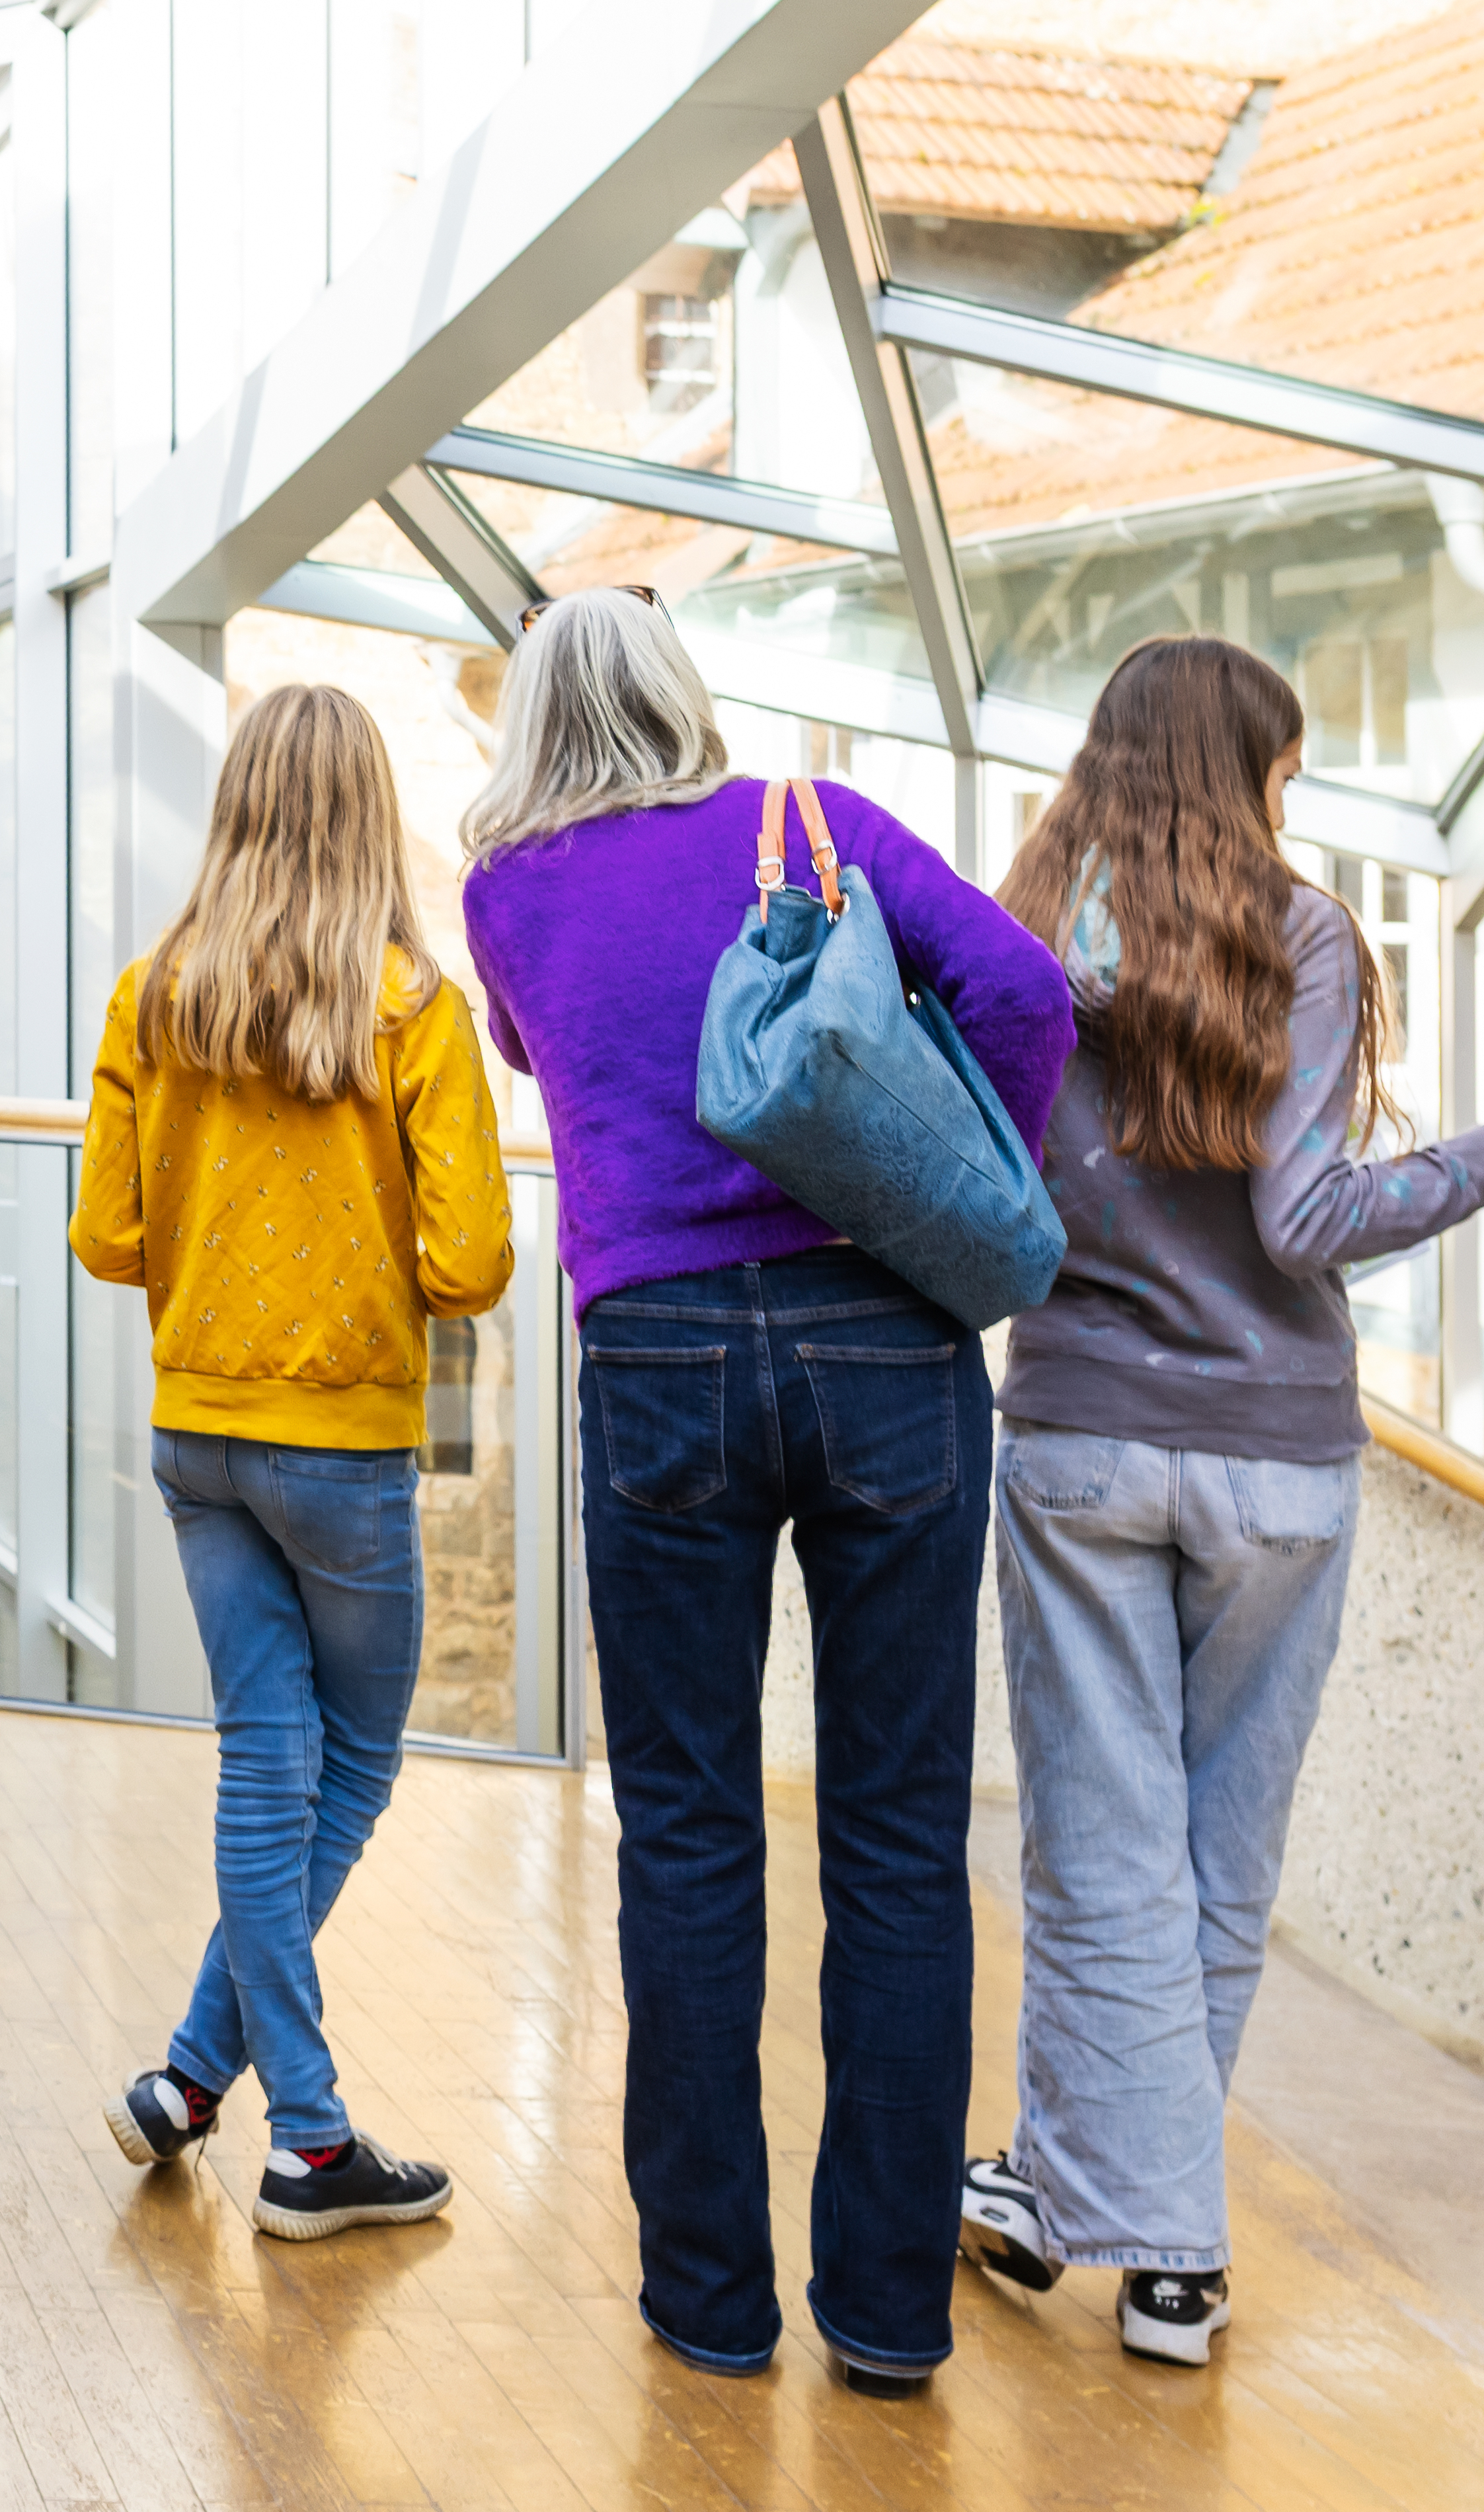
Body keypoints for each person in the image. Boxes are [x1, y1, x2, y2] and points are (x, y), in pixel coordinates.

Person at [961, 635, 1484, 2371]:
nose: (1292, 799)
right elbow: (1308, 1223)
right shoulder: (1304, 936)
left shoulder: (1038, 924)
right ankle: (1158, 2256)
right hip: (1279, 1462)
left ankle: (1070, 2197)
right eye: (1288, 767)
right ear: (1245, 764)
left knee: (1099, 1854)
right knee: (1212, 1856)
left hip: (1086, 1439)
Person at [455, 592, 1072, 2396]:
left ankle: (709, 2305)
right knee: (894, 1832)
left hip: (658, 1359)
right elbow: (1026, 991)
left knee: (691, 1829)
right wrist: (958, 1175)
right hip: (883, 1341)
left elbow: (555, 1057)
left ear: (532, 726)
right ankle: (886, 2318)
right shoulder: (814, 828)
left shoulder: (509, 896)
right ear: (680, 692)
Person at [71, 685, 514, 2234]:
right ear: (366, 819)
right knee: (351, 1764)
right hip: (340, 1445)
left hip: (196, 1431)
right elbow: (470, 1263)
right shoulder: (410, 1009)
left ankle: (194, 2078)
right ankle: (307, 2136)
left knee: (269, 1759)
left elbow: (105, 1236)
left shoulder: (151, 997)